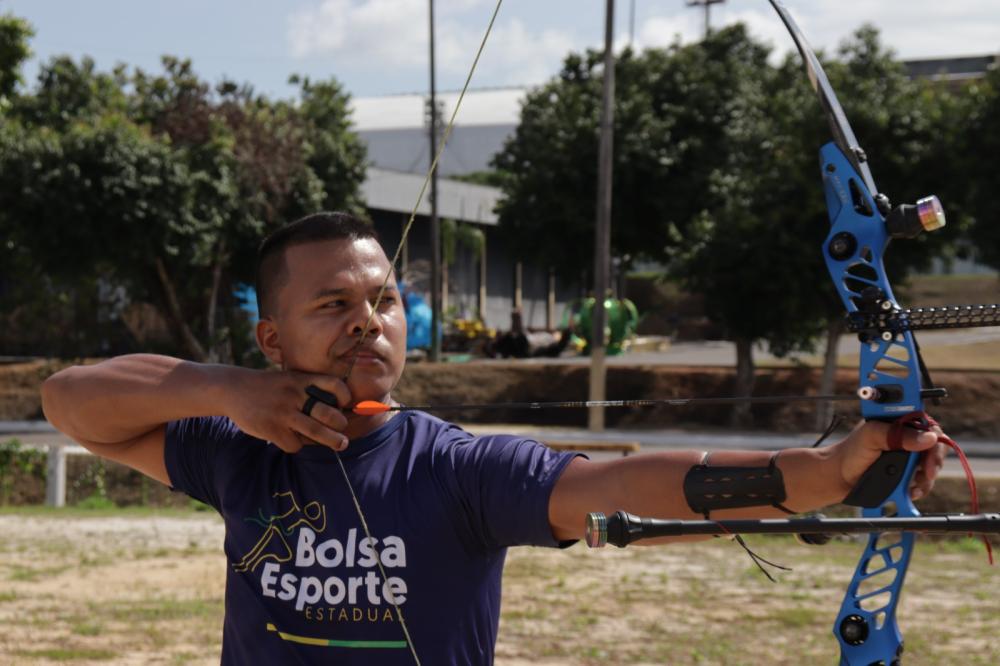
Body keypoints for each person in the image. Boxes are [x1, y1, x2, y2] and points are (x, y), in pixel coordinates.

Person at [41, 211, 947, 666]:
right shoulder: (235, 448)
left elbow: (619, 485)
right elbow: (68, 402)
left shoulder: (455, 466)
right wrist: (226, 389)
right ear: (272, 339)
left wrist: (823, 473)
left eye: (384, 300)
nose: (368, 322)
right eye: (333, 306)